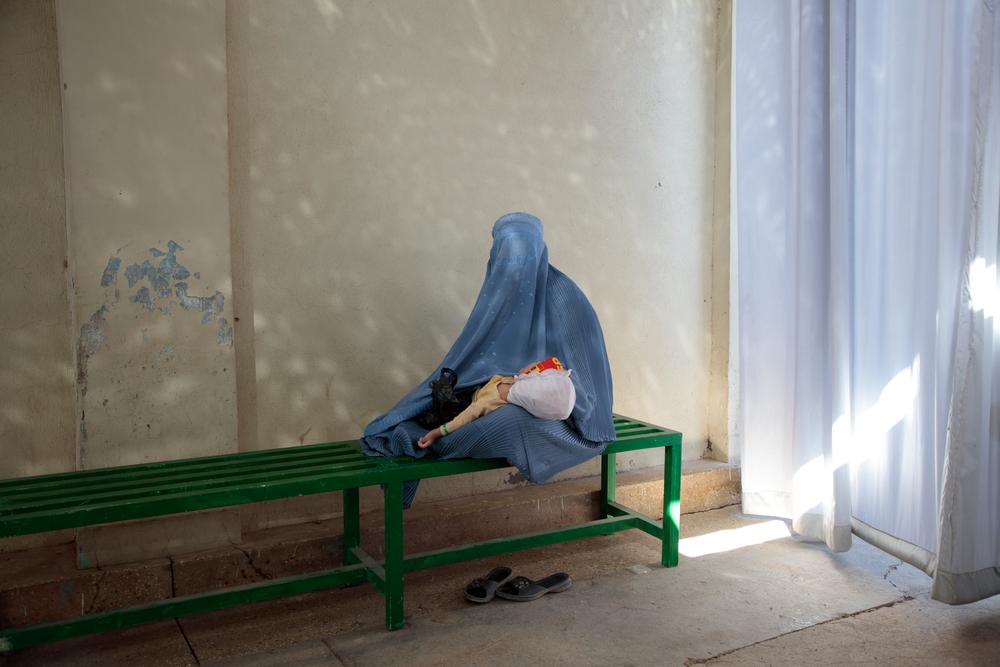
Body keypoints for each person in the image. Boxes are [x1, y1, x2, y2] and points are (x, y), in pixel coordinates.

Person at [417, 356, 576, 449]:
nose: (533, 370)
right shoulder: (519, 384)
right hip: (478, 389)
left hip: (463, 405)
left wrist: (435, 434)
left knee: (445, 405)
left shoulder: (488, 403)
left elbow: (460, 420)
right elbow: (536, 369)